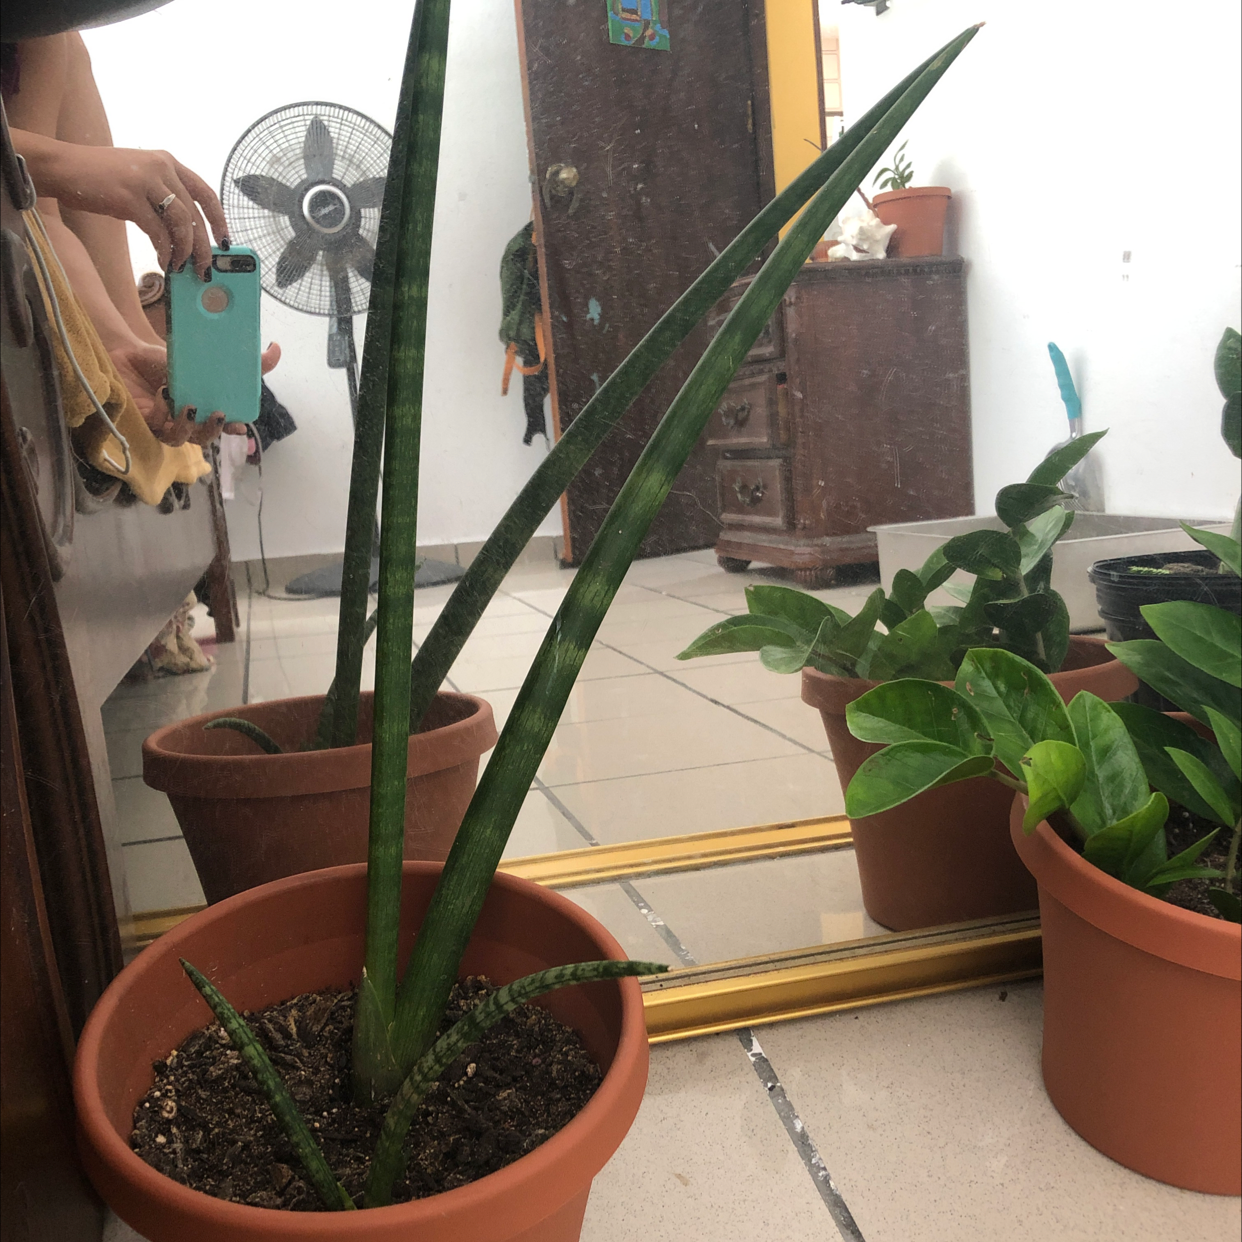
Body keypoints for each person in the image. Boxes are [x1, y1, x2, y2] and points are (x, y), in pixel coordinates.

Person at [3, 32, 278, 446]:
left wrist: (124, 343)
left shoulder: (52, 32)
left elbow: (40, 218)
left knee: (62, 41)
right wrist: (66, 166)